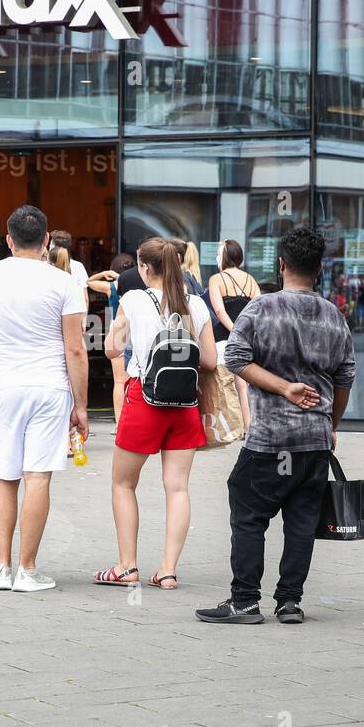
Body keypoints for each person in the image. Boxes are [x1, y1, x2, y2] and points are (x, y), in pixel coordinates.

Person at [195, 227, 355, 625]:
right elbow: (345, 375)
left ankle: (245, 600)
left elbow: (234, 357)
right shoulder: (333, 314)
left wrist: (283, 388)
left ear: (281, 265)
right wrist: (330, 424)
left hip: (270, 439)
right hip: (313, 439)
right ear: (319, 269)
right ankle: (289, 602)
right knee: (301, 519)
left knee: (248, 513)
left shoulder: (261, 309)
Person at [0, 205, 89, 594]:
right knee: (38, 477)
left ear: (8, 241)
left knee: (5, 476)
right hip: (50, 387)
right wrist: (81, 406)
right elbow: (75, 349)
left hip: (8, 386)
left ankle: (1, 567)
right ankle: (28, 570)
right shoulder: (63, 282)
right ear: (47, 240)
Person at [95, 237, 217, 590]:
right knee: (177, 488)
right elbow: (209, 361)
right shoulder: (196, 304)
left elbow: (110, 351)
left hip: (144, 400)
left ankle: (127, 565)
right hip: (185, 405)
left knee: (123, 483)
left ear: (146, 268)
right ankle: (167, 570)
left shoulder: (133, 300)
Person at [207, 239, 261, 435]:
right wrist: (245, 333)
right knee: (244, 383)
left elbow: (220, 311)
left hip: (224, 337)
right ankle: (249, 426)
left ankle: (229, 427)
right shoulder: (251, 280)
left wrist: (234, 331)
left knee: (224, 383)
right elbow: (257, 311)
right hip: (249, 337)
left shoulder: (216, 279)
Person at [103, 252, 136, 423]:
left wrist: (104, 274)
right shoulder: (140, 285)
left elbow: (88, 282)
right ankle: (132, 420)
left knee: (118, 382)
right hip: (134, 330)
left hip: (117, 330)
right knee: (134, 379)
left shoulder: (112, 287)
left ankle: (119, 421)